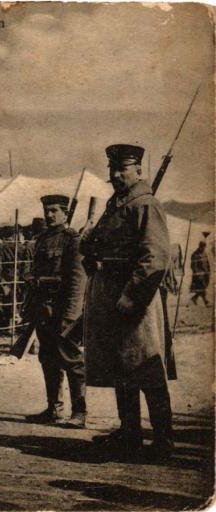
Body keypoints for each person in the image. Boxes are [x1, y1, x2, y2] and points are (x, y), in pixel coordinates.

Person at [81, 144, 173, 459]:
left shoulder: (145, 205)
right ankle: (129, 434)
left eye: (123, 168)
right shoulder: (116, 205)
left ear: (139, 170)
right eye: (112, 169)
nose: (117, 175)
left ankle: (163, 442)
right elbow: (96, 247)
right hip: (111, 296)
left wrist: (132, 297)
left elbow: (156, 257)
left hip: (136, 301)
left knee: (146, 367)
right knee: (121, 367)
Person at [22, 195, 87, 428]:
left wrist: (70, 315)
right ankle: (54, 409)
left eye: (54, 211)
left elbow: (77, 281)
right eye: (46, 211)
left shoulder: (72, 240)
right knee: (48, 360)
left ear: (65, 213)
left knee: (72, 360)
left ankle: (79, 412)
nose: (49, 215)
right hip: (43, 310)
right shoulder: (41, 239)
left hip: (63, 310)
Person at [190, 241, 210, 305]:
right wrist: (197, 273)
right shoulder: (195, 254)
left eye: (204, 247)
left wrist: (209, 271)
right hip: (199, 274)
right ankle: (206, 301)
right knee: (202, 287)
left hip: (205, 273)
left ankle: (194, 298)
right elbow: (193, 266)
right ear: (200, 246)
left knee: (203, 287)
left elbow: (207, 263)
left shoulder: (204, 253)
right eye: (202, 247)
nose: (203, 249)